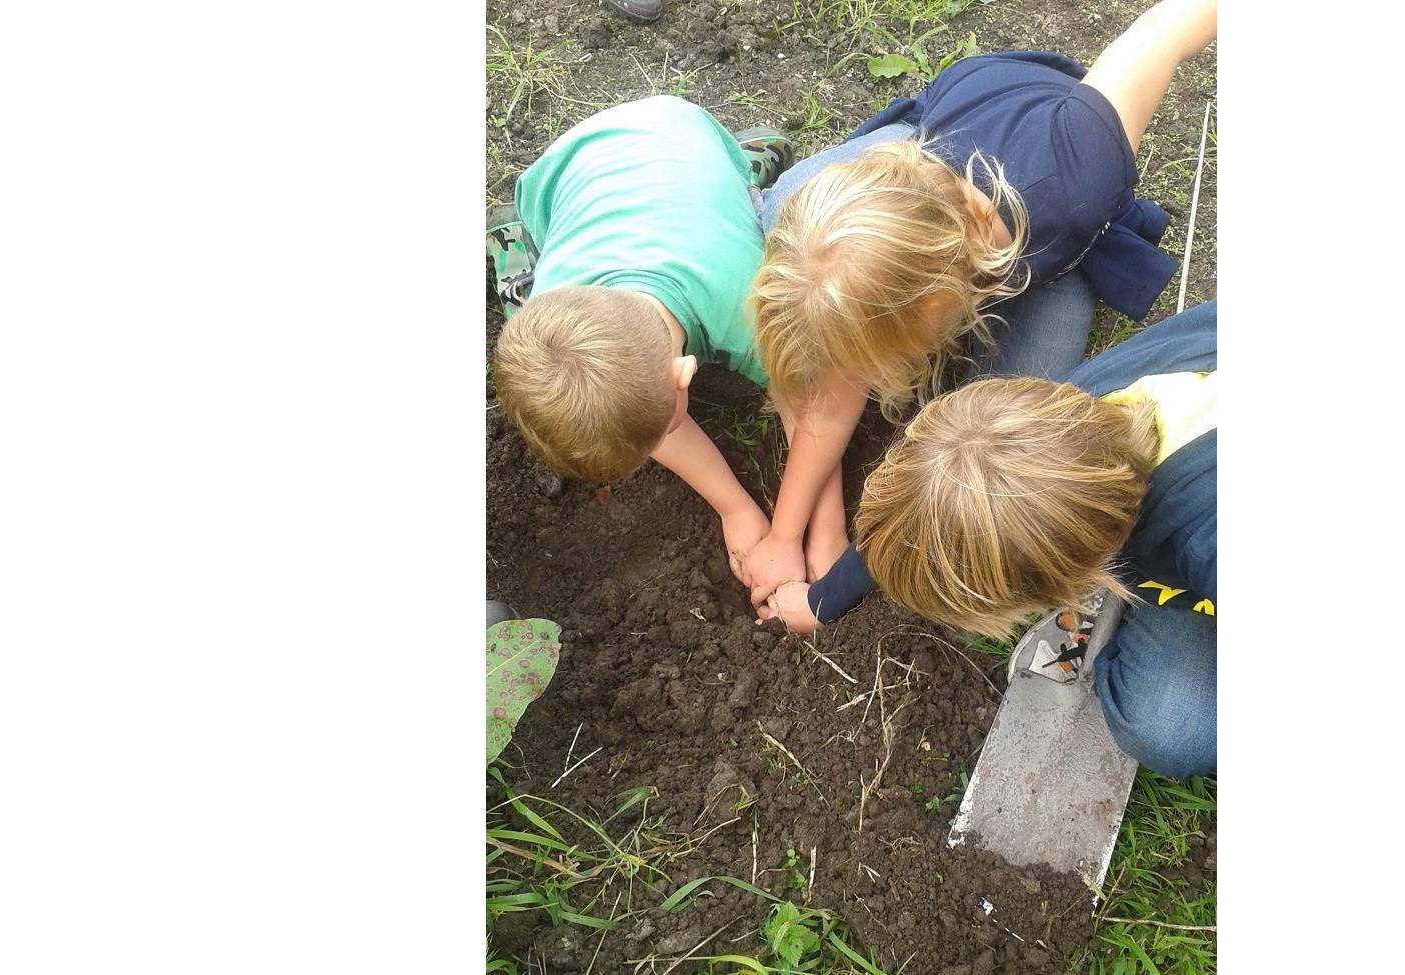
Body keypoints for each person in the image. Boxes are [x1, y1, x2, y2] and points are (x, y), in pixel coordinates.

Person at [739, 0, 1219, 613]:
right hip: (929, 146)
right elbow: (830, 400)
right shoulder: (893, 232)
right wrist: (794, 532)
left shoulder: (1074, 161)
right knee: (790, 215)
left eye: (891, 357)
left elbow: (1167, 29)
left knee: (1017, 420)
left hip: (1048, 257)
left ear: (955, 303)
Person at [774, 301, 1217, 778]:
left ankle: (1131, 594)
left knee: (1169, 734)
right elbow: (922, 507)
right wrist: (823, 599)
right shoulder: (1070, 417)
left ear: (1070, 578)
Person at [488, 95, 791, 584]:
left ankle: (750, 160)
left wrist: (796, 538)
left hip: (685, 132)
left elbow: (813, 410)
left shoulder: (753, 308)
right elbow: (637, 408)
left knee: (760, 208)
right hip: (575, 167)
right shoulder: (553, 304)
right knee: (522, 310)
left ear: (683, 373)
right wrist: (735, 508)